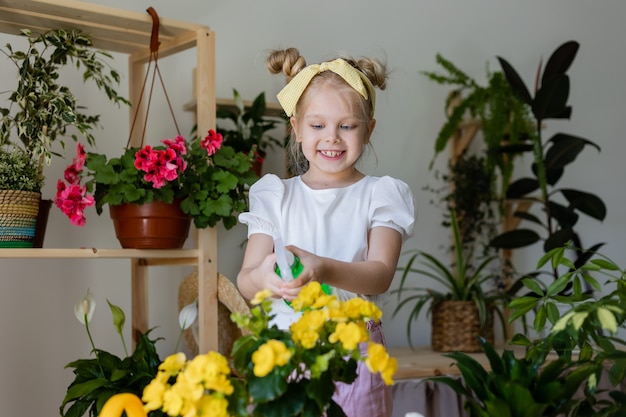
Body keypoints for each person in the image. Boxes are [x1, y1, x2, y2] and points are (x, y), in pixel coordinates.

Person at [237, 47, 415, 417]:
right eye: (318, 125)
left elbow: (380, 275)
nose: (331, 138)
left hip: (353, 349)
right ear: (296, 128)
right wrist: (265, 279)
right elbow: (246, 278)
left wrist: (323, 269)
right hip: (284, 348)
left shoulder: (380, 194)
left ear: (368, 130)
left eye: (346, 126)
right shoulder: (275, 194)